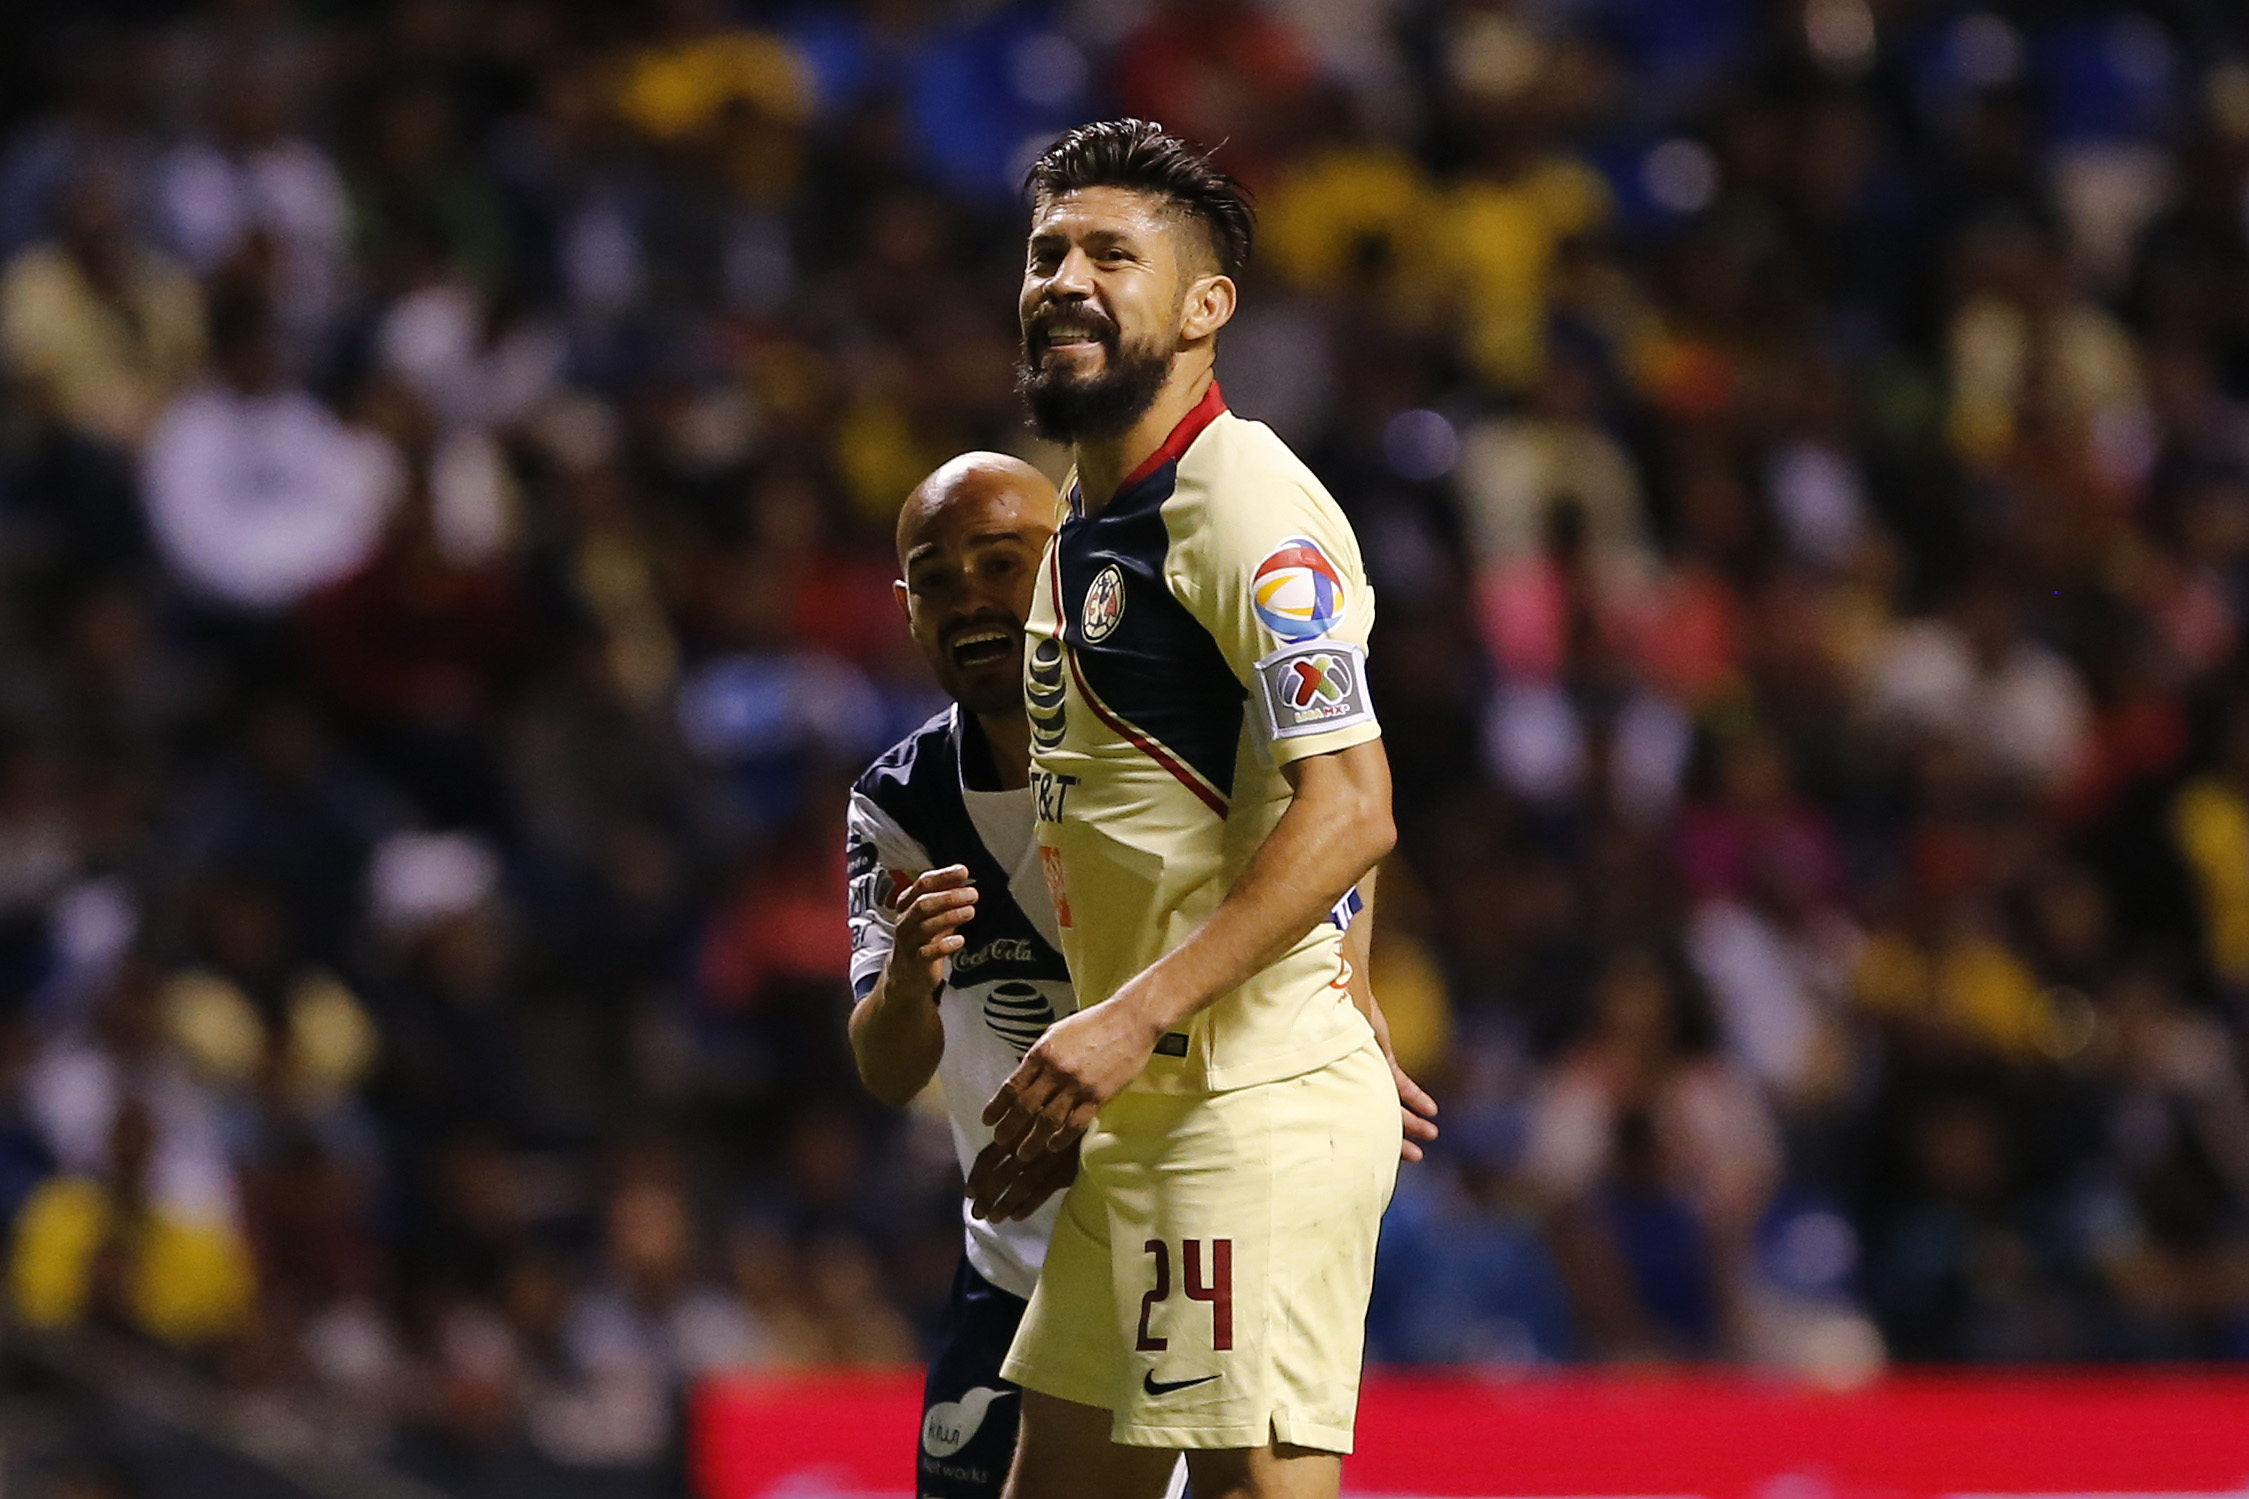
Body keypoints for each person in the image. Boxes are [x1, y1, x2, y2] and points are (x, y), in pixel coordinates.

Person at [970, 120, 1429, 1499]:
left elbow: (1353, 804)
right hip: (1148, 1109)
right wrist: (1333, 971)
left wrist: (1138, 1020)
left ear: (1205, 306)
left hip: (1238, 1117)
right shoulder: (1086, 510)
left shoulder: (1248, 512)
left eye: (1114, 252)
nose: (1064, 276)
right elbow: (1290, 773)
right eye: (1048, 250)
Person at [848, 452, 1430, 1499]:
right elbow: (885, 1069)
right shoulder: (902, 803)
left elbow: (1339, 809)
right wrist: (901, 979)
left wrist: (1346, 979)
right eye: (935, 578)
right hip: (1013, 1260)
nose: (970, 598)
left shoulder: (1159, 733)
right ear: (904, 609)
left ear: (1064, 568)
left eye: (1000, 563)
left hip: (1183, 1208)